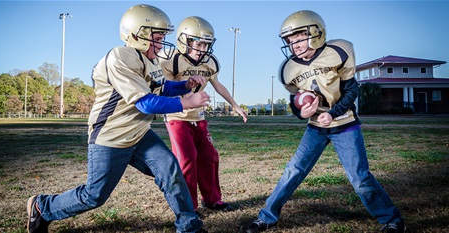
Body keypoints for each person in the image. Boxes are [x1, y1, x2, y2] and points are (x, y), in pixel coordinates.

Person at [26, 4, 210, 233]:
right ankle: (42, 206)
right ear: (137, 34)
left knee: (171, 171)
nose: (161, 43)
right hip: (112, 136)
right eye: (157, 38)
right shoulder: (120, 57)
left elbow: (160, 87)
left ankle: (189, 226)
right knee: (94, 196)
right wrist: (186, 102)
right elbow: (145, 103)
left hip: (140, 134)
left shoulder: (150, 58)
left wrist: (184, 85)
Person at [246, 10, 405, 233]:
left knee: (359, 177)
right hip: (316, 127)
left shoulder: (338, 51)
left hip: (345, 124)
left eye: (299, 37)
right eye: (290, 41)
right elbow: (295, 102)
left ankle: (391, 219)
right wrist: (301, 113)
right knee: (293, 171)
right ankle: (267, 217)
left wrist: (333, 113)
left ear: (316, 32)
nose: (295, 45)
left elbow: (351, 91)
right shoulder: (288, 68)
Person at [160, 16, 248, 215]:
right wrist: (186, 92)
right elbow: (164, 88)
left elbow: (218, 85)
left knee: (209, 157)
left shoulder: (210, 62)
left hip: (198, 117)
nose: (202, 48)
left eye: (206, 44)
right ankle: (188, 205)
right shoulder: (172, 60)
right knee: (187, 158)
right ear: (185, 41)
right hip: (177, 117)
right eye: (198, 43)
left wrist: (235, 105)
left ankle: (212, 199)